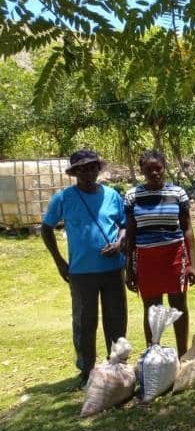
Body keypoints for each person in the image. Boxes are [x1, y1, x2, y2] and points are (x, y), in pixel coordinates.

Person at [41, 149, 127, 387]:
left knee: (116, 318)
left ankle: (118, 362)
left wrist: (119, 243)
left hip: (112, 268)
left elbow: (124, 225)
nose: (88, 172)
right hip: (80, 272)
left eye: (92, 167)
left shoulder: (112, 195)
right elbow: (46, 228)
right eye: (82, 169)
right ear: (75, 172)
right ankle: (86, 369)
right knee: (84, 320)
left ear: (98, 169)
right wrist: (60, 262)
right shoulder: (64, 198)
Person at [125, 149, 195, 356]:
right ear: (141, 171)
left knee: (178, 305)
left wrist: (193, 263)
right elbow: (130, 236)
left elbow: (188, 229)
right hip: (146, 259)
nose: (154, 173)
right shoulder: (132, 196)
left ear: (164, 168)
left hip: (174, 256)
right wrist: (129, 268)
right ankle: (153, 354)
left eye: (158, 168)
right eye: (149, 169)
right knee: (152, 308)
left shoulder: (177, 193)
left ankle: (182, 354)